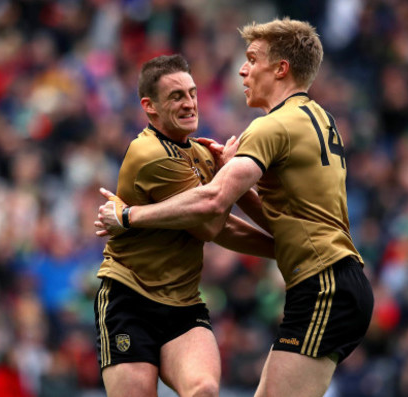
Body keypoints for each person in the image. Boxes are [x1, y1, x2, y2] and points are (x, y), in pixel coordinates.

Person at [95, 19, 374, 397]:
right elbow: (285, 220)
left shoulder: (270, 127)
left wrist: (128, 216)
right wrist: (239, 185)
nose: (242, 69)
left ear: (280, 69)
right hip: (339, 278)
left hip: (322, 282)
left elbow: (211, 210)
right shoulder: (322, 118)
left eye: (252, 59)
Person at [94, 54, 275, 397]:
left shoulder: (203, 154)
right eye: (177, 96)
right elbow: (210, 227)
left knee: (203, 390)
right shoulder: (150, 155)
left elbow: (222, 223)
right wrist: (227, 175)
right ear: (150, 107)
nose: (190, 103)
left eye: (192, 93)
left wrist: (281, 249)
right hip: (129, 299)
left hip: (184, 302)